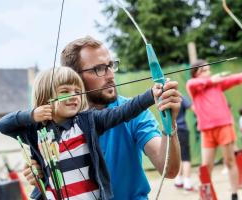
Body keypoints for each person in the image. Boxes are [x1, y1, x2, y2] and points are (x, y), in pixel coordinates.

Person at [23, 36, 181, 199]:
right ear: (75, 77)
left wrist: (170, 124)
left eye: (111, 65)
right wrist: (40, 171)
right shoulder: (57, 120)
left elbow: (168, 170)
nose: (110, 75)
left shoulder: (134, 112)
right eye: (99, 69)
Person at [186, 59, 242, 200]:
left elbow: (237, 78)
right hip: (207, 131)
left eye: (208, 69)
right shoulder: (193, 86)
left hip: (224, 126)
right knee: (206, 168)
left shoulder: (217, 84)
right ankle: (206, 197)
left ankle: (234, 194)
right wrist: (211, 80)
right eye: (205, 70)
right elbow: (192, 83)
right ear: (196, 73)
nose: (209, 72)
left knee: (230, 161)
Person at [174, 96, 195, 191]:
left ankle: (178, 181)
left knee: (178, 156)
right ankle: (187, 183)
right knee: (186, 157)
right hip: (182, 129)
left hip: (171, 131)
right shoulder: (180, 97)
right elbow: (193, 108)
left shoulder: (162, 98)